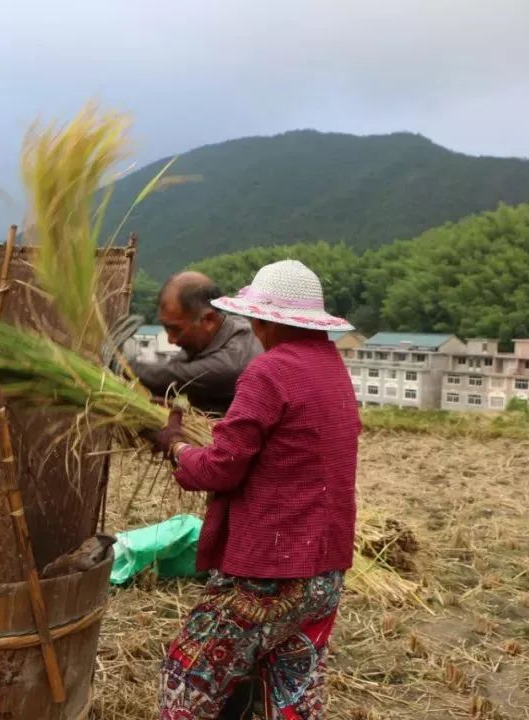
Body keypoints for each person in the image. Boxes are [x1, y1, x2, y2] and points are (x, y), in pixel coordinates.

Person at [149, 259, 361, 720]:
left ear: (264, 319)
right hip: (324, 572)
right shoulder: (332, 369)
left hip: (268, 572)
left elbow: (222, 468)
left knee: (188, 680)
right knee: (290, 694)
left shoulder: (269, 372)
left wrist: (178, 448)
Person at [129, 271, 262, 415]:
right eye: (166, 328)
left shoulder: (233, 361)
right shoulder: (205, 339)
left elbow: (171, 377)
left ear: (209, 320)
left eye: (176, 329)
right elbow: (169, 373)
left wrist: (121, 363)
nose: (170, 340)